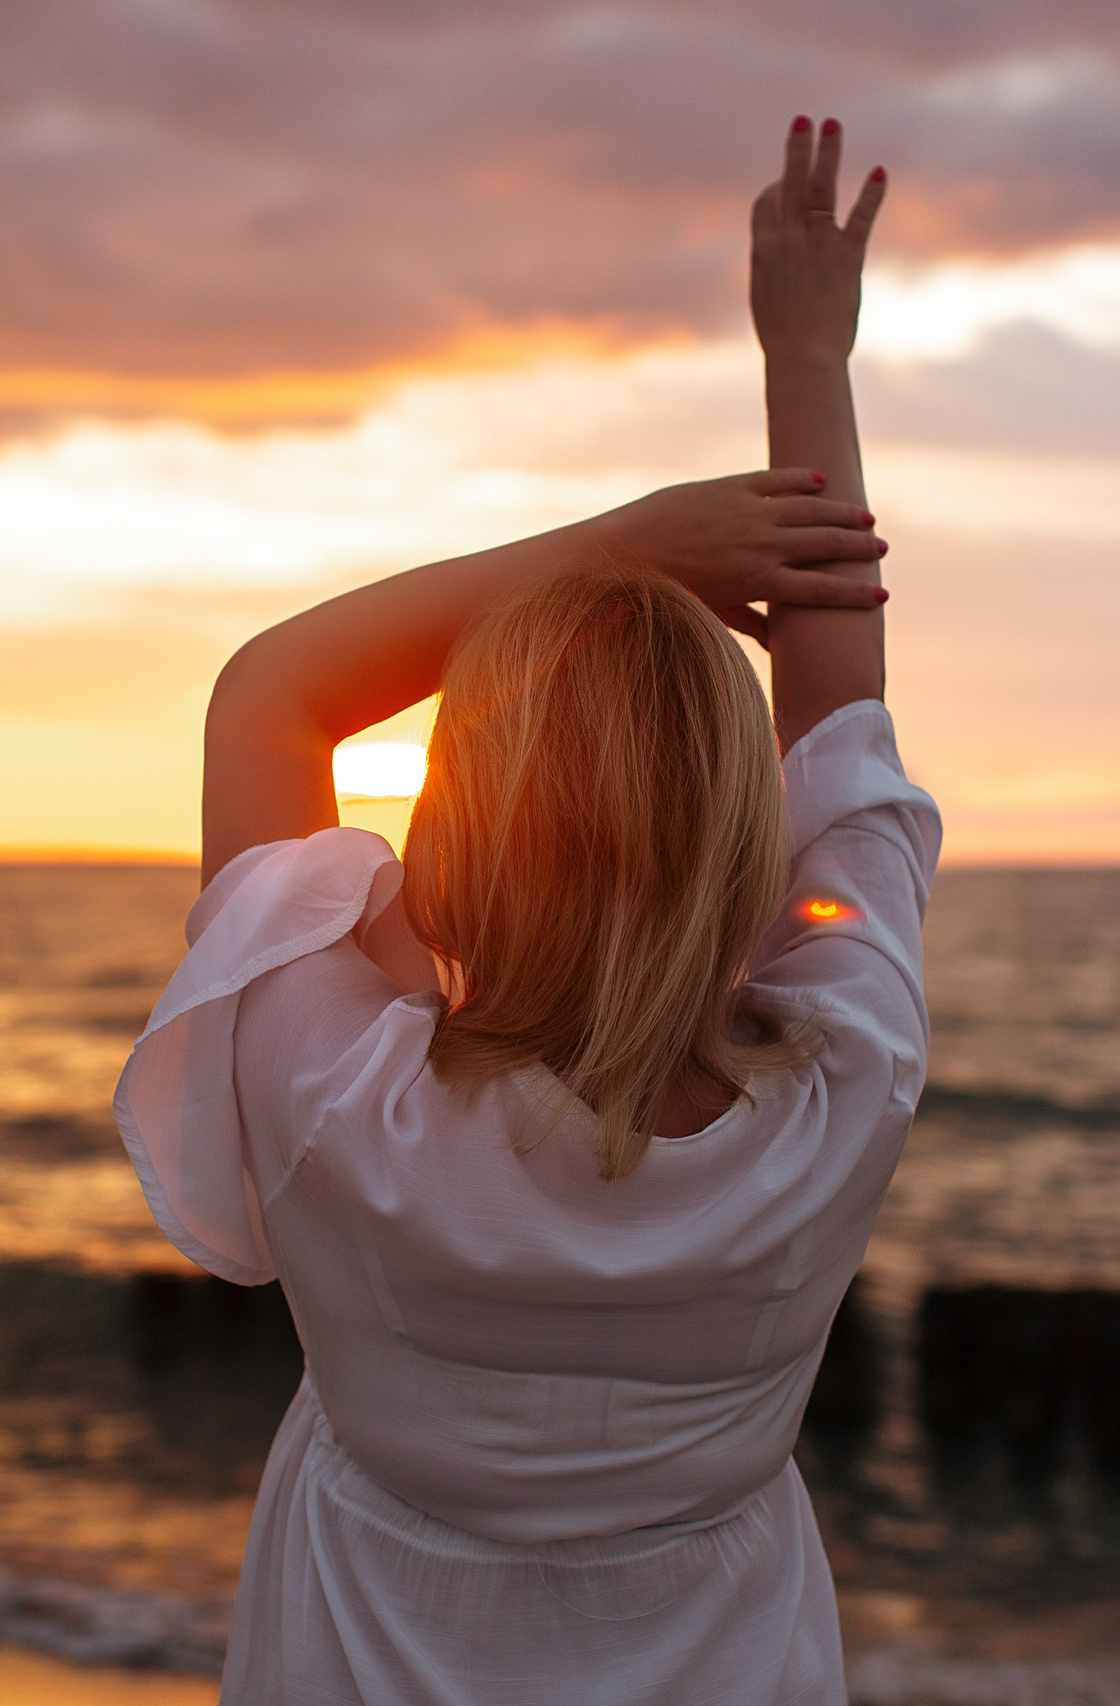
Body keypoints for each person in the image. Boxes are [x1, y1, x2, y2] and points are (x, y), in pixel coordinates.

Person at [115, 116, 938, 1704]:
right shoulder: (845, 1090)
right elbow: (844, 721)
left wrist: (624, 543)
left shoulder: (333, 1097)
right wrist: (809, 351)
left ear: (460, 836)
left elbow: (271, 696)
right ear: (746, 853)